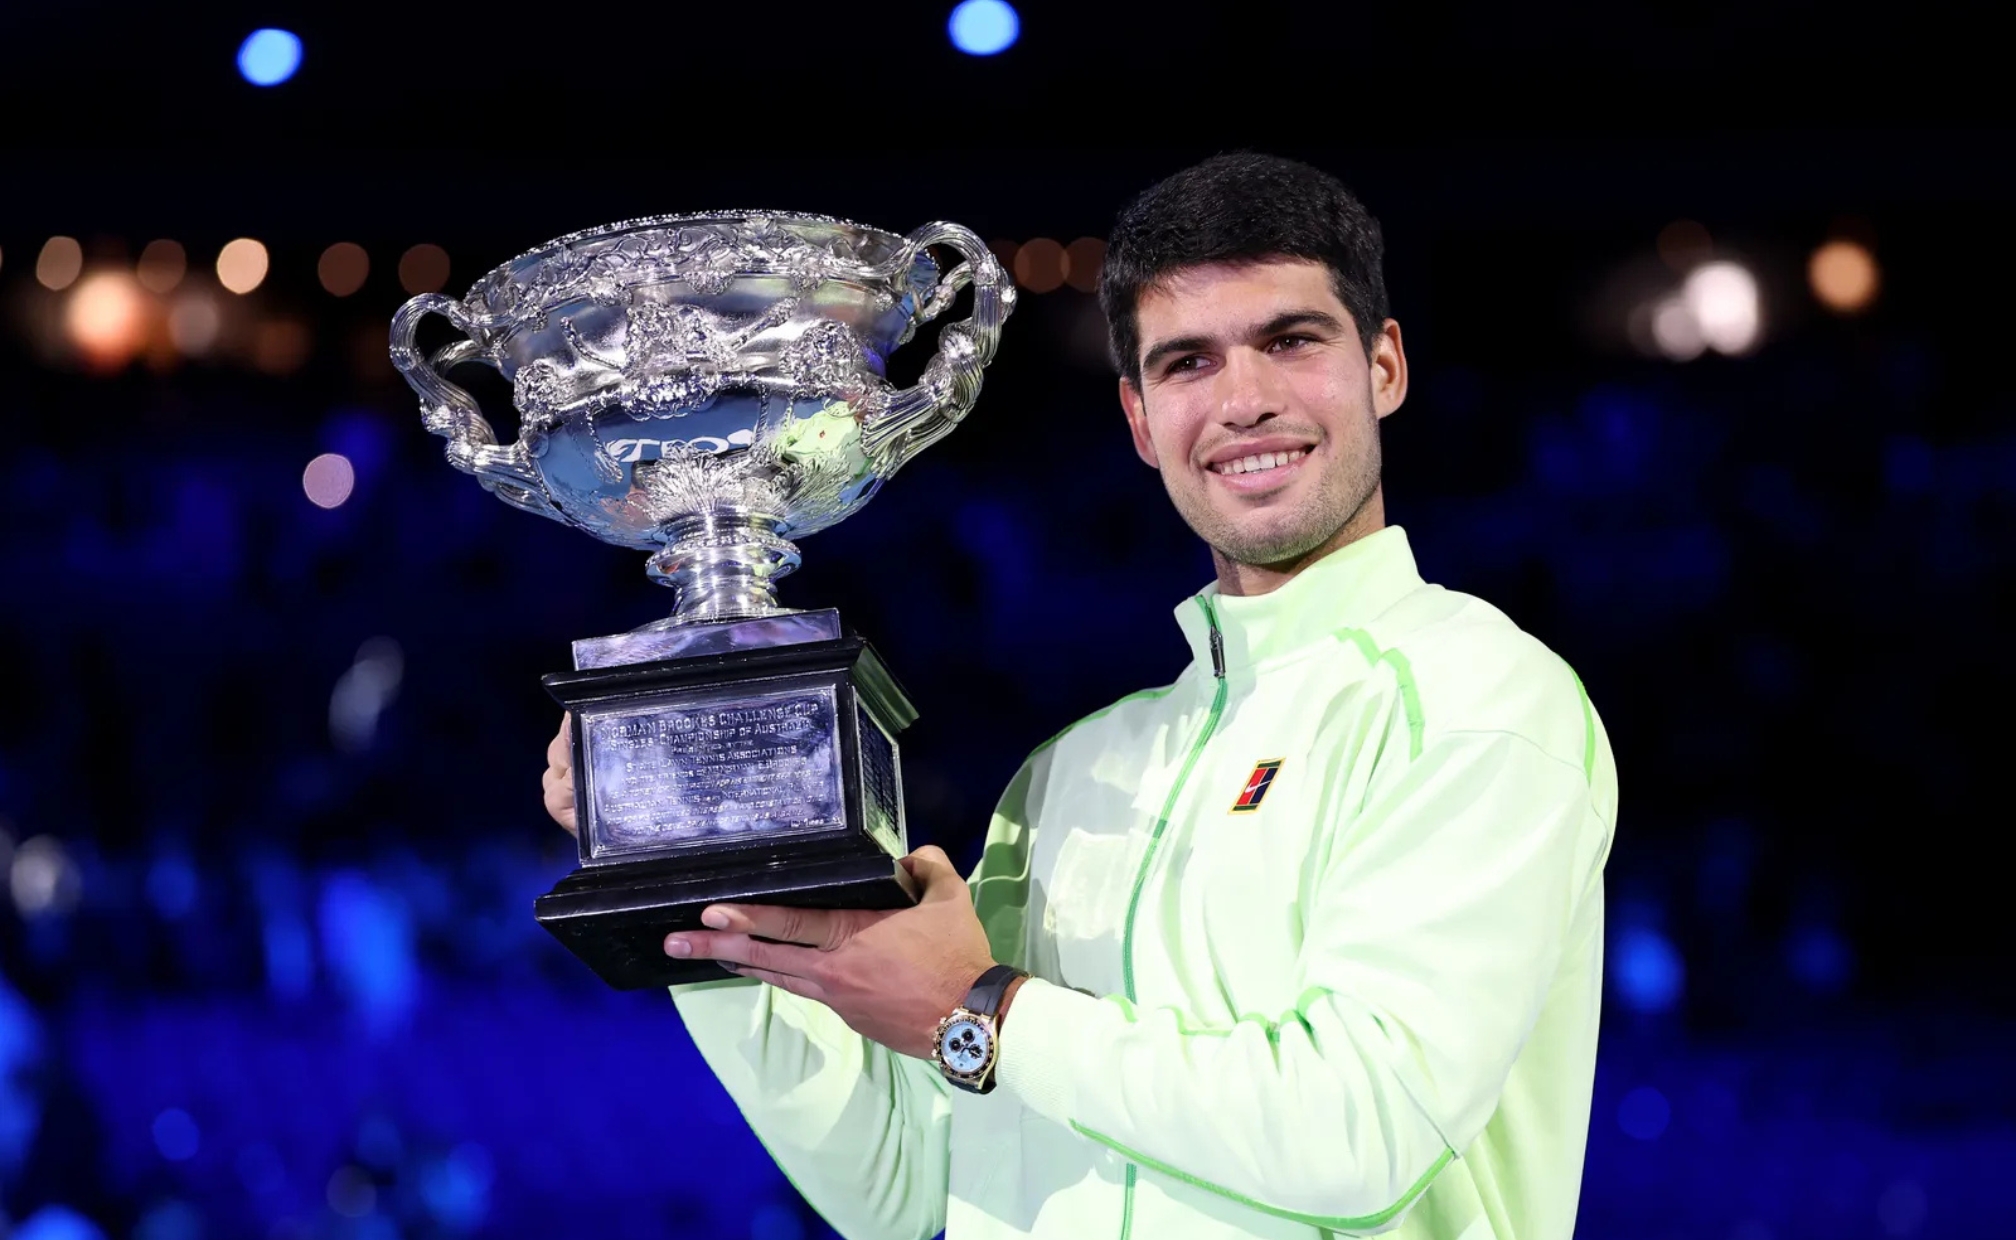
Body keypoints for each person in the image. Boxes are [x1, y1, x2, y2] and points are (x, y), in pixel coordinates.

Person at [542, 152, 1618, 1240]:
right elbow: (902, 1190)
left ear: (1383, 366)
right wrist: (705, 882)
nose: (1243, 400)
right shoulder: (1069, 776)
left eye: (1291, 341)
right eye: (1188, 362)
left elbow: (1361, 1129)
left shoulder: (1479, 696)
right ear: (1141, 419)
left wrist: (985, 1009)